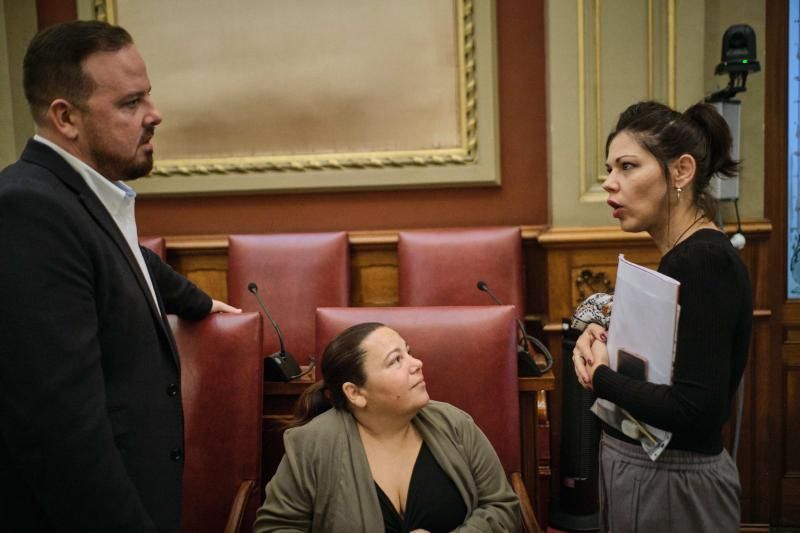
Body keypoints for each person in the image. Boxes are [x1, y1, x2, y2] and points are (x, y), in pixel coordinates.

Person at [0, 20, 240, 532]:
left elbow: (128, 257)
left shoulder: (71, 195)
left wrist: (195, 301)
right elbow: (64, 435)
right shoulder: (28, 210)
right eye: (130, 103)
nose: (155, 115)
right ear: (66, 117)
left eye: (147, 96)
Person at [572, 100, 752, 532]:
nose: (610, 184)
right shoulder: (683, 257)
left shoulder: (703, 262)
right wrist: (601, 333)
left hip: (673, 486)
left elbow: (695, 408)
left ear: (682, 171)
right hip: (652, 476)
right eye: (609, 169)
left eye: (628, 167)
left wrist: (600, 377)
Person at [254, 322, 520, 532]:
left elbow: (503, 507)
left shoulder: (456, 425)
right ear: (355, 393)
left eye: (409, 352)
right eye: (396, 360)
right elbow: (275, 528)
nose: (417, 364)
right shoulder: (310, 445)